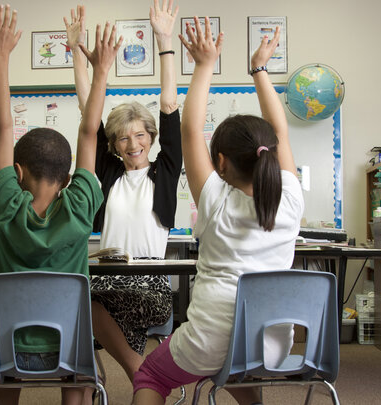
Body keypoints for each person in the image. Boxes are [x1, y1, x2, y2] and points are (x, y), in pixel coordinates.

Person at [132, 19, 304, 405]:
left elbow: (190, 131)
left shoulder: (214, 199)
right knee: (241, 362)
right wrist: (260, 69)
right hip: (271, 344)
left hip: (207, 340)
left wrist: (205, 64)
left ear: (220, 163)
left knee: (151, 374)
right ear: (271, 156)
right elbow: (281, 130)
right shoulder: (290, 198)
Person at [0, 5, 120, 404]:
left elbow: (3, 127)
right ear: (69, 179)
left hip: (4, 352)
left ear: (16, 173)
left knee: (2, 374)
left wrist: (0, 57)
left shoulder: (6, 204)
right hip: (65, 350)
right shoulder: (80, 205)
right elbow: (90, 132)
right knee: (82, 375)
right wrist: (100, 69)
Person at [64, 0, 182, 385]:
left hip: (150, 282)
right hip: (107, 278)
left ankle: (136, 371)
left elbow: (168, 105)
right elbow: (88, 113)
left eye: (141, 135)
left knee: (88, 304)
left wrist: (165, 41)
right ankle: (141, 373)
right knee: (79, 299)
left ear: (151, 137)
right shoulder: (109, 173)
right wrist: (78, 56)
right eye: (122, 138)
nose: (133, 144)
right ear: (113, 145)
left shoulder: (163, 172)